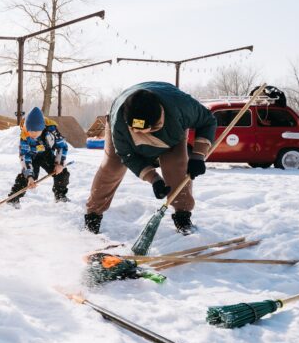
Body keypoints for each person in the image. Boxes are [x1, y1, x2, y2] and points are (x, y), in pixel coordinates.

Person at [84, 82, 216, 235]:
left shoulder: (183, 106)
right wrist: (154, 179)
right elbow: (127, 156)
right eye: (133, 128)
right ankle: (93, 215)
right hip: (122, 134)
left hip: (171, 135)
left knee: (177, 166)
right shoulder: (119, 122)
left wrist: (198, 156)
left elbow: (208, 121)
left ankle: (182, 215)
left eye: (141, 130)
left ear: (156, 123)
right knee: (111, 167)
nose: (136, 132)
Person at [7, 107, 70, 208]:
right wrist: (30, 176)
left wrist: (59, 164)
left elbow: (62, 146)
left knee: (62, 173)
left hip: (47, 154)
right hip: (32, 157)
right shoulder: (25, 135)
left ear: (43, 127)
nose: (32, 134)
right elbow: (25, 155)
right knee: (26, 177)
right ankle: (13, 199)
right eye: (30, 131)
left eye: (36, 131)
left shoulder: (51, 130)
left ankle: (60, 196)